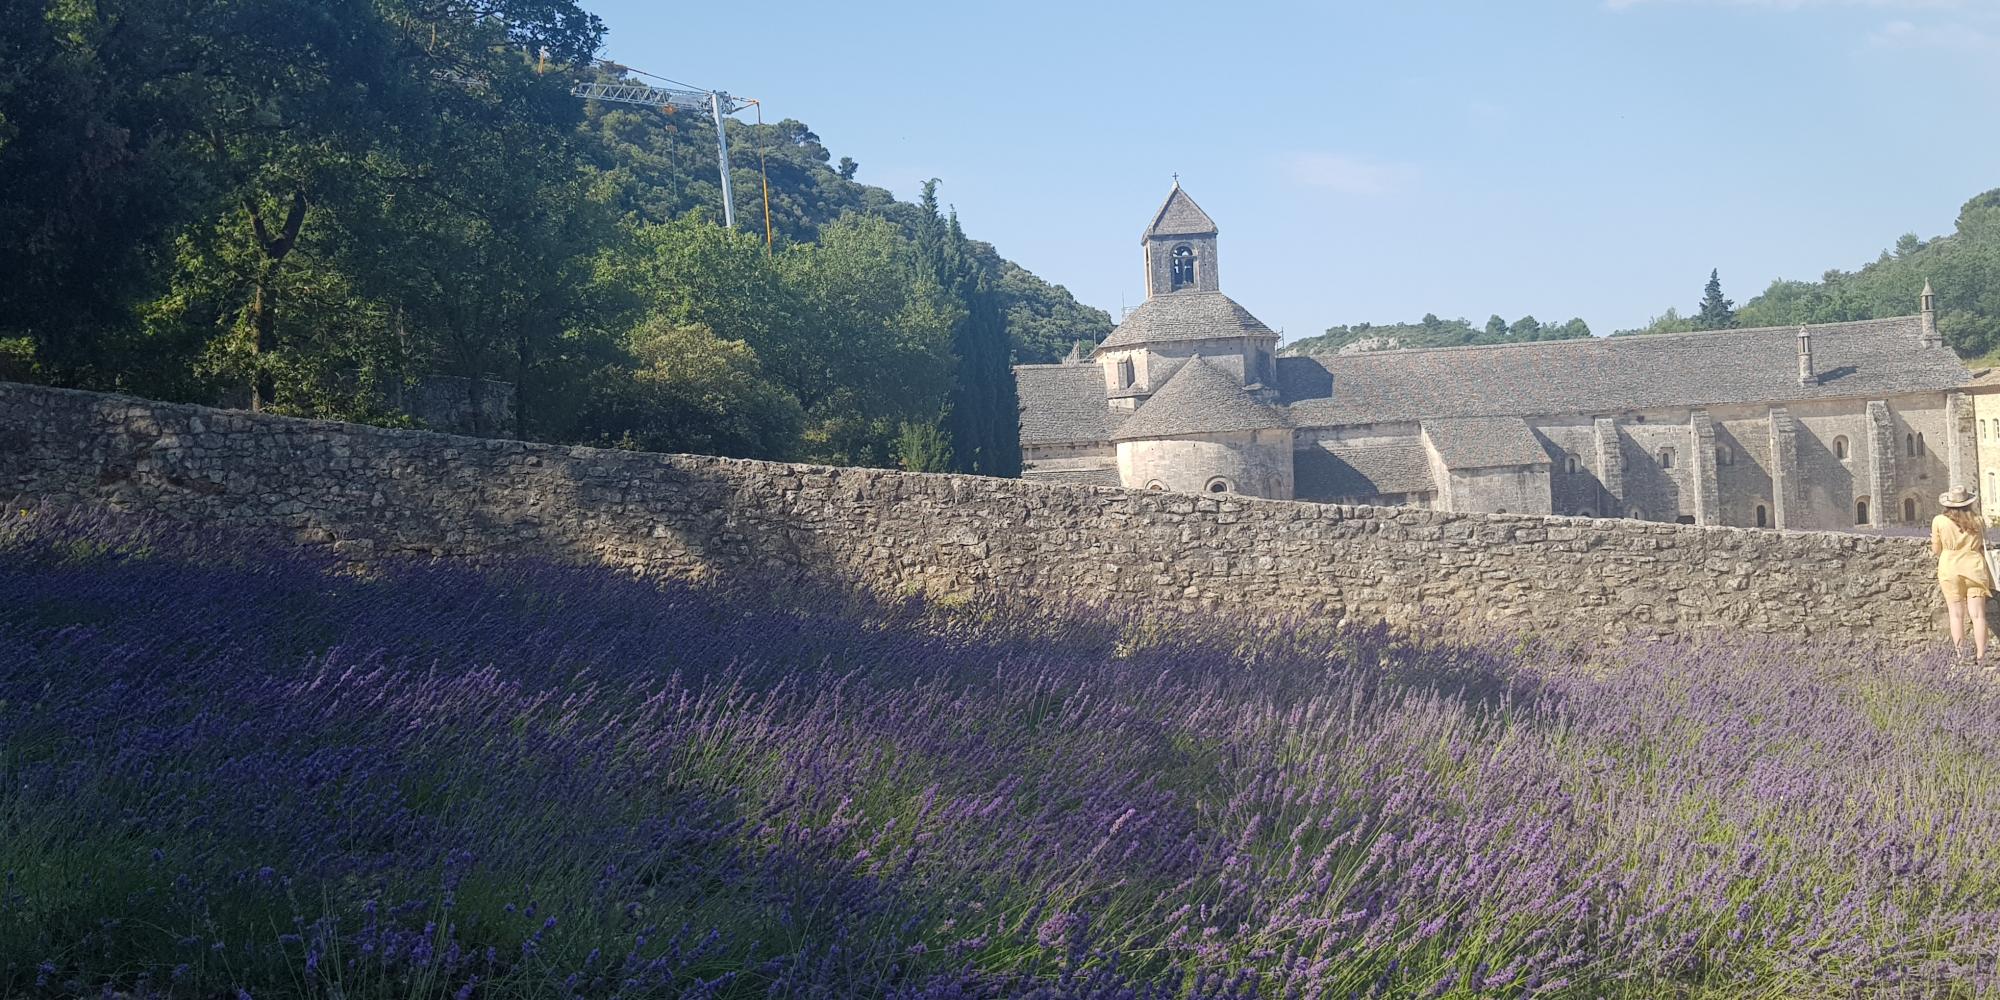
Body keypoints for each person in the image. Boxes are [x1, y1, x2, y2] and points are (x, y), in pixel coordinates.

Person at [1931, 486, 1993, 662]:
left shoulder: (1939, 521)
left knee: (1956, 615)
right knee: (1978, 615)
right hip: (1974, 567)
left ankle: (1961, 655)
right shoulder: (1978, 520)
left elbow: (1936, 549)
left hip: (1950, 568)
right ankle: (1981, 655)